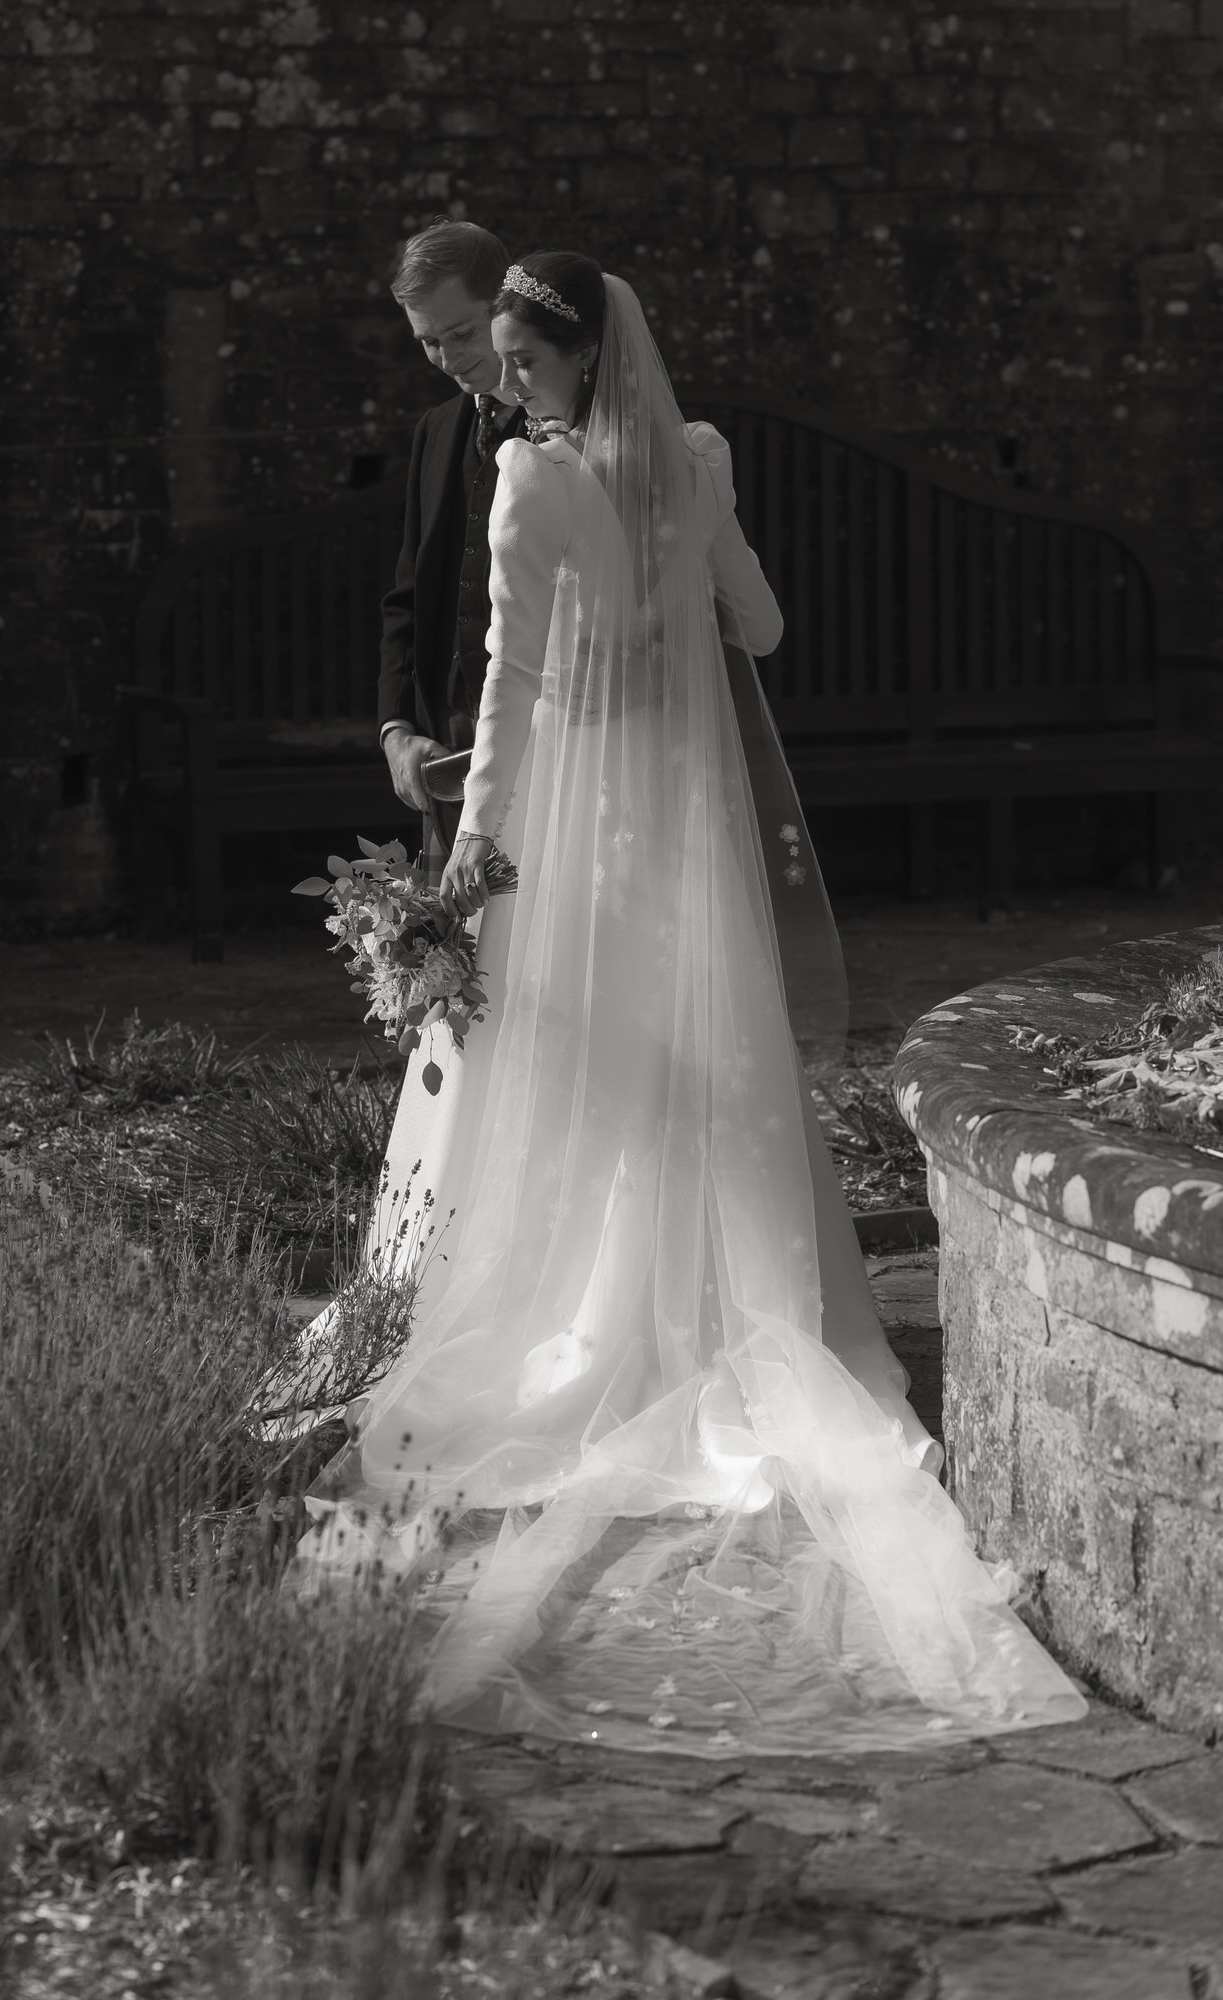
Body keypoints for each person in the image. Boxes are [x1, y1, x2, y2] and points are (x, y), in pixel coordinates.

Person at [298, 254, 1087, 1758]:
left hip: (581, 832)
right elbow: (768, 631)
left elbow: (505, 687)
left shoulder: (529, 487)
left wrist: (461, 876)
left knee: (600, 1068)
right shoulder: (701, 460)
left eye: (520, 365)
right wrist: (679, 600)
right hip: (689, 821)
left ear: (572, 360)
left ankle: (611, 1320)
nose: (507, 388)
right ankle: (717, 1312)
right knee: (702, 1055)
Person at [377, 219, 527, 868]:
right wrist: (396, 729)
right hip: (446, 756)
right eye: (427, 342)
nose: (447, 358)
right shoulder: (437, 430)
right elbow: (407, 595)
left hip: (546, 752)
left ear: (504, 306)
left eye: (461, 333)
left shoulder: (574, 427)